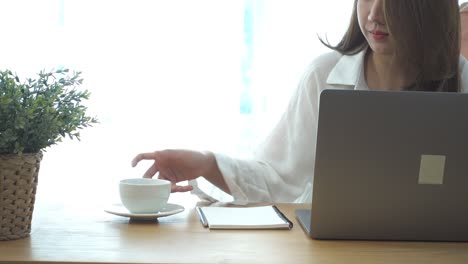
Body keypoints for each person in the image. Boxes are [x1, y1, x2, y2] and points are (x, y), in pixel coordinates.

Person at [132, 0, 467, 204]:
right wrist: (207, 163)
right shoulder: (323, 76)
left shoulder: (462, 80)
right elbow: (278, 180)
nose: (375, 15)